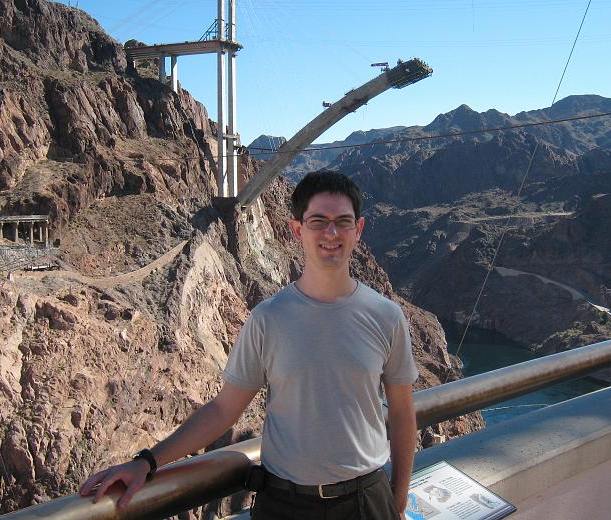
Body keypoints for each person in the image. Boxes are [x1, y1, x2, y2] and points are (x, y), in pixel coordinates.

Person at [79, 170, 419, 519]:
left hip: (366, 501)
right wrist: (147, 462)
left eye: (342, 222)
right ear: (297, 230)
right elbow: (224, 410)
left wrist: (399, 496)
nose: (331, 233)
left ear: (358, 230)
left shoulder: (387, 317)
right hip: (285, 505)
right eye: (318, 221)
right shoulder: (268, 319)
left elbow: (403, 412)